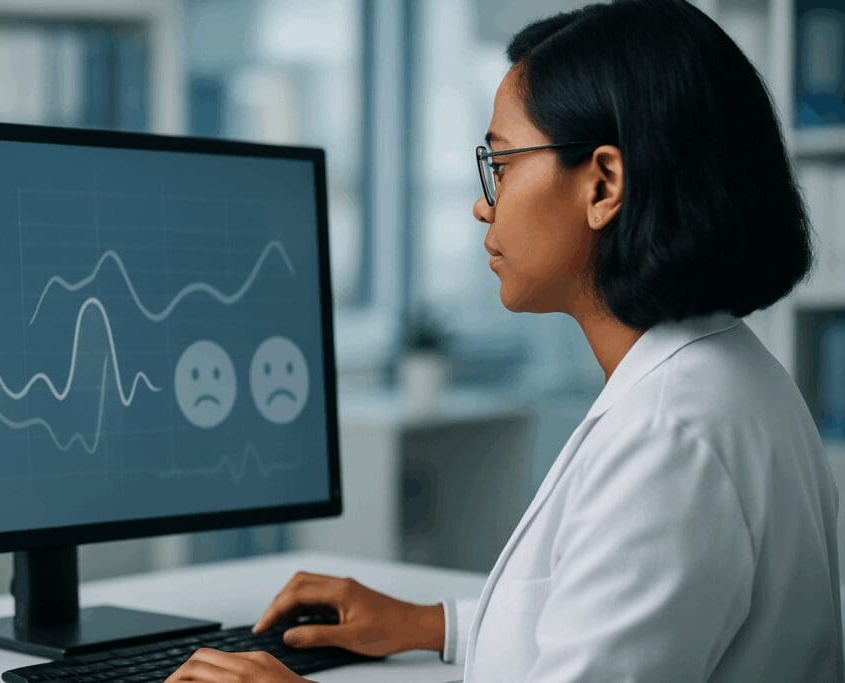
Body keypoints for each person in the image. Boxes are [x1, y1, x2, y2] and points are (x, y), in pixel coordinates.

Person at [164, 0, 843, 680]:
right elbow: (612, 605)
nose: (483, 203)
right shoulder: (723, 371)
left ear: (603, 184)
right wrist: (431, 623)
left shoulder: (669, 434)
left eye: (503, 164)